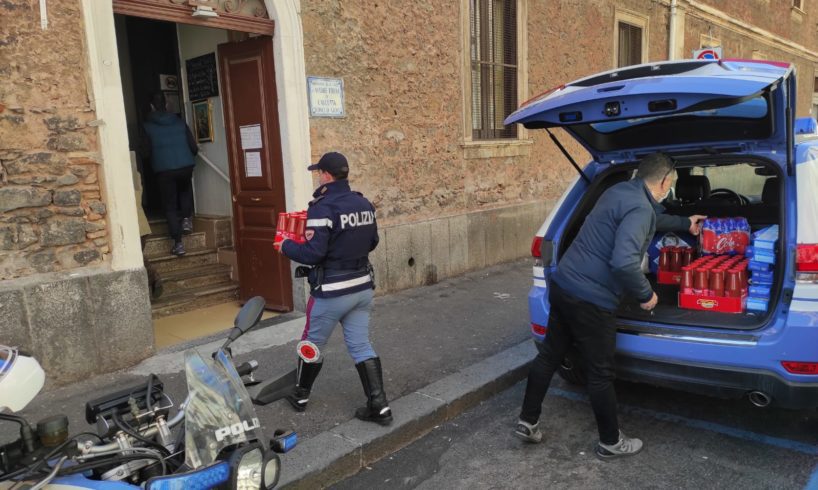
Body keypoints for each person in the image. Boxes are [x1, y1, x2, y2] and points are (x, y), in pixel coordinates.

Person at [514, 152, 679, 459]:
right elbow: (623, 263)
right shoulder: (641, 209)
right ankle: (610, 442)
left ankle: (528, 420)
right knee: (600, 373)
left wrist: (686, 223)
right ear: (666, 182)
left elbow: (650, 217)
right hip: (592, 300)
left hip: (564, 285)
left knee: (549, 354)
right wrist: (646, 295)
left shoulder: (618, 191)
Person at [274, 152, 392, 426]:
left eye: (318, 172)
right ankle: (380, 405)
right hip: (362, 287)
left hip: (331, 291)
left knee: (311, 344)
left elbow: (314, 253)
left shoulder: (322, 207)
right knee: (361, 346)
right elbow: (372, 241)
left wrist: (286, 246)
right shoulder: (363, 203)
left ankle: (300, 396)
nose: (317, 177)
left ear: (326, 175)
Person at [141, 92, 198, 256]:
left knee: (170, 206)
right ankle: (187, 220)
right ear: (166, 105)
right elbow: (193, 148)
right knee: (185, 191)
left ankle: (178, 244)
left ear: (151, 106)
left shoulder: (146, 126)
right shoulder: (180, 122)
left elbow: (144, 152)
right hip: (186, 165)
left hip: (164, 170)